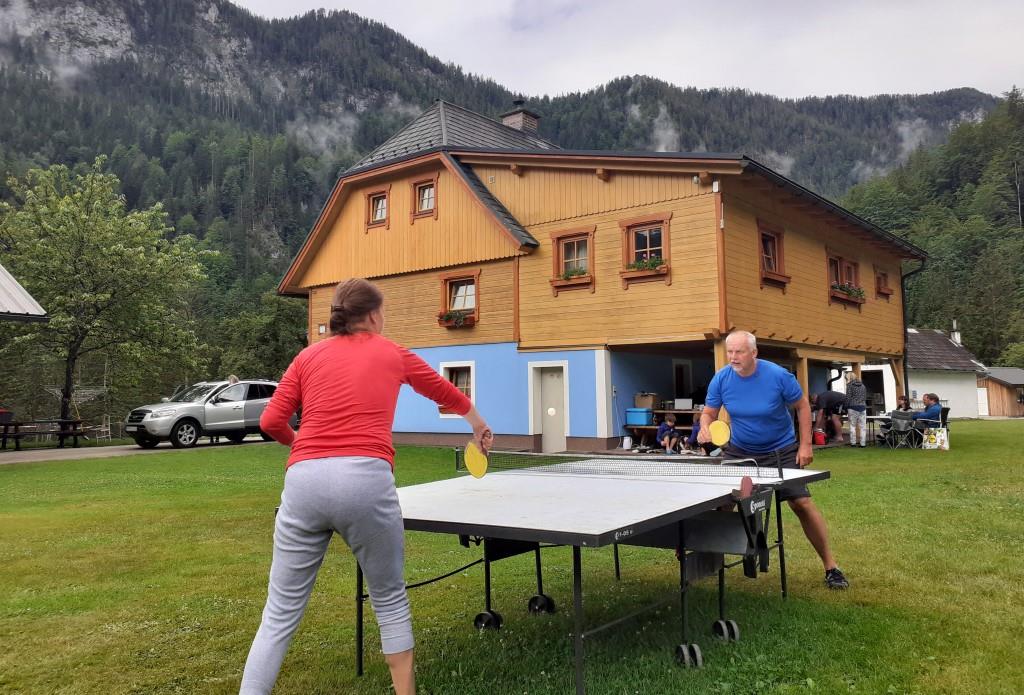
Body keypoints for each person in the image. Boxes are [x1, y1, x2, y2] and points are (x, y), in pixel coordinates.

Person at [240, 278, 494, 695]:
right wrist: (479, 425)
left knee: (279, 614)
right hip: (365, 479)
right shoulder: (392, 352)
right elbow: (444, 391)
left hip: (303, 480)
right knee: (389, 599)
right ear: (374, 315)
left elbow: (270, 421)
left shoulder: (307, 357)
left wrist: (300, 443)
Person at [697, 331, 849, 590]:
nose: (733, 357)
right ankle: (709, 558)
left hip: (780, 451)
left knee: (801, 503)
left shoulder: (778, 376)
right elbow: (709, 413)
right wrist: (704, 427)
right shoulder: (721, 378)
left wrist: (805, 444)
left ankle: (831, 567)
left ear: (753, 353)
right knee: (722, 503)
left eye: (739, 352)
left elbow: (802, 406)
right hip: (740, 452)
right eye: (729, 352)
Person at [844, 372, 868, 447]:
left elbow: (848, 398)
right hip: (862, 407)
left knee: (852, 426)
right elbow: (865, 397)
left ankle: (853, 443)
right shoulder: (863, 386)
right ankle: (863, 444)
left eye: (846, 378)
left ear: (849, 378)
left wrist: (845, 407)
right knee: (863, 427)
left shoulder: (849, 386)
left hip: (852, 407)